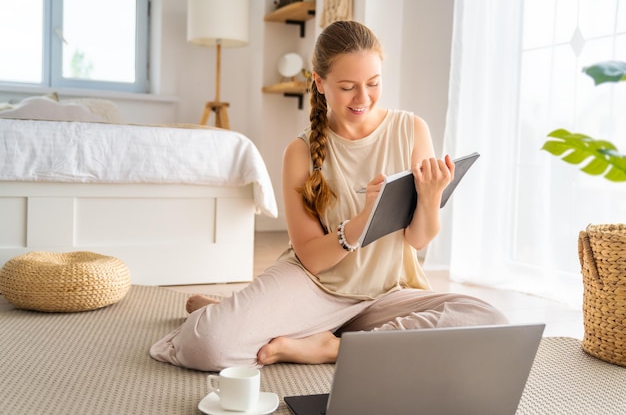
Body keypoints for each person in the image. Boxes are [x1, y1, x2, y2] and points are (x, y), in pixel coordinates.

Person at [150, 20, 507, 372]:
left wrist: (430, 198)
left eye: (373, 83)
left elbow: (417, 239)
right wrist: (365, 219)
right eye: (348, 86)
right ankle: (237, 313)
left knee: (487, 319)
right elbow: (312, 258)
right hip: (315, 286)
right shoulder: (300, 152)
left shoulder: (411, 129)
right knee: (207, 345)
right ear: (319, 83)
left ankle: (331, 346)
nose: (363, 98)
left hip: (387, 293)